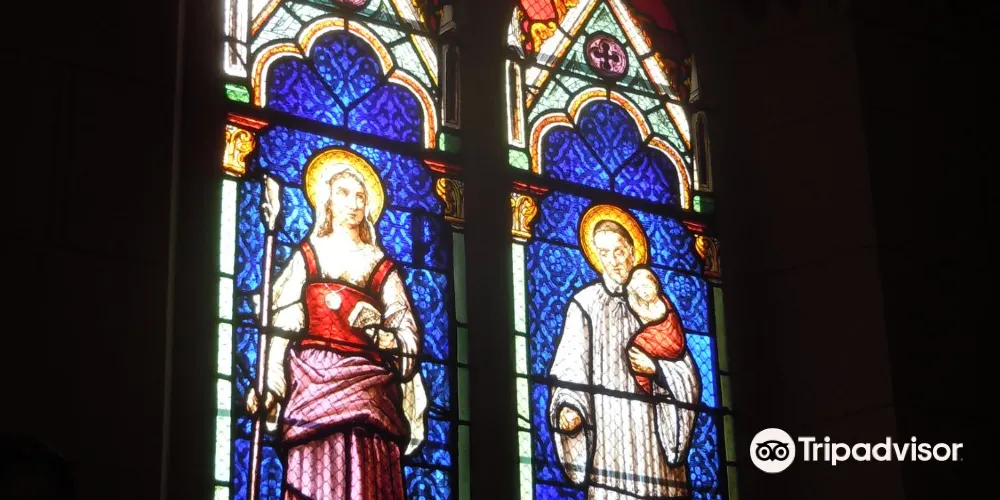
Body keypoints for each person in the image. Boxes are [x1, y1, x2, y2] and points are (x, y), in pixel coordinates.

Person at [247, 149, 427, 500]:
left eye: (360, 196)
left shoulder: (381, 265)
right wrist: (270, 388)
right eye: (344, 193)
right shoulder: (308, 254)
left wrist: (385, 337)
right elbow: (282, 327)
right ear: (326, 200)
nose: (353, 203)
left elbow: (406, 330)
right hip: (311, 382)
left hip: (369, 389)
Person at [548, 205, 700, 499]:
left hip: (656, 437)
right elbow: (570, 366)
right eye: (604, 253)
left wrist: (657, 370)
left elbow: (687, 372)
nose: (614, 261)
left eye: (619, 251)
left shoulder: (655, 304)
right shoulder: (584, 304)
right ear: (595, 256)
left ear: (632, 251)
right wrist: (569, 405)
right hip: (609, 433)